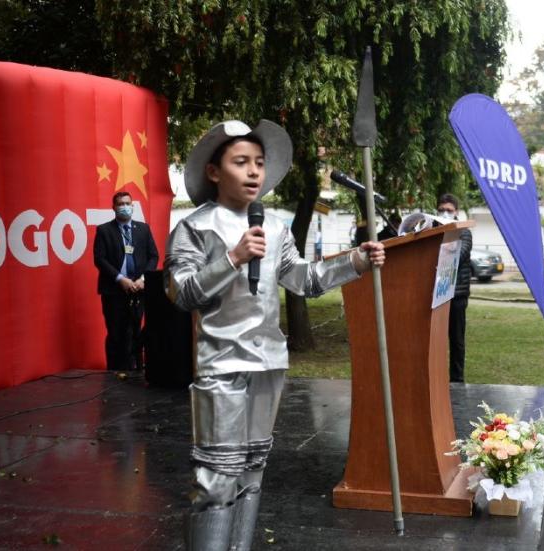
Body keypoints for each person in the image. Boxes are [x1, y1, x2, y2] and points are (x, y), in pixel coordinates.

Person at [165, 120, 385, 550]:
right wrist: (233, 257)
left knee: (251, 471)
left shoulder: (277, 228)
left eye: (259, 164)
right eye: (241, 162)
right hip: (222, 366)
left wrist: (355, 262)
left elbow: (303, 279)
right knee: (216, 478)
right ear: (214, 172)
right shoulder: (195, 228)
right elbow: (180, 293)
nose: (253, 172)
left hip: (268, 364)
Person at [93, 191, 158, 371]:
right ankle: (115, 372)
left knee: (137, 332)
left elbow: (154, 256)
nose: (124, 207)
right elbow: (99, 259)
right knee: (116, 333)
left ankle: (137, 370)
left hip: (138, 289)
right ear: (113, 207)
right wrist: (120, 279)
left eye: (127, 203)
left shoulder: (143, 229)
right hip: (114, 290)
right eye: (120, 204)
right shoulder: (104, 230)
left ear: (133, 206)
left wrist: (143, 279)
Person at [436, 193, 472, 383]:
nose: (445, 213)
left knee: (456, 339)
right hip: (438, 294)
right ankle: (438, 377)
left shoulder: (463, 231)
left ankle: (457, 379)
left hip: (457, 295)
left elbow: (461, 253)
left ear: (456, 211)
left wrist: (442, 249)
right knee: (437, 340)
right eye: (441, 210)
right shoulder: (433, 229)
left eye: (449, 210)